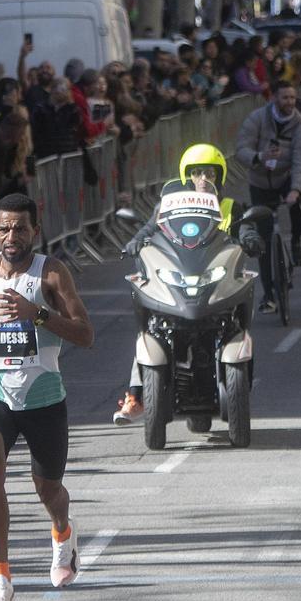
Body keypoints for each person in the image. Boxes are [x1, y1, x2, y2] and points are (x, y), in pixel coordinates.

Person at [0, 193, 94, 601]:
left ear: (36, 229)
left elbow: (85, 334)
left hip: (43, 397)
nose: (11, 236)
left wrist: (37, 315)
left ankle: (63, 532)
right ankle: (1, 580)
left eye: (20, 228)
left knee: (47, 489)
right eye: (4, 228)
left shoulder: (51, 274)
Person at [113, 144, 264, 424]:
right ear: (187, 176)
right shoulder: (168, 208)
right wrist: (134, 242)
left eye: (209, 172)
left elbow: (245, 227)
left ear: (219, 175)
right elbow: (149, 229)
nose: (203, 178)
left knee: (233, 325)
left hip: (217, 283)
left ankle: (237, 374)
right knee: (152, 331)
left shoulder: (230, 207)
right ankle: (136, 395)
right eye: (196, 173)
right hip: (178, 282)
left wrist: (250, 237)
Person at [233, 81, 301, 313]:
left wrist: (295, 190)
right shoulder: (257, 119)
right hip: (260, 183)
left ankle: (297, 245)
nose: (289, 102)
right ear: (274, 99)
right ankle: (268, 295)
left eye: (292, 97)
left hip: (285, 178)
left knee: (297, 206)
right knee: (263, 241)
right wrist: (259, 156)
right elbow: (241, 149)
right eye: (284, 97)